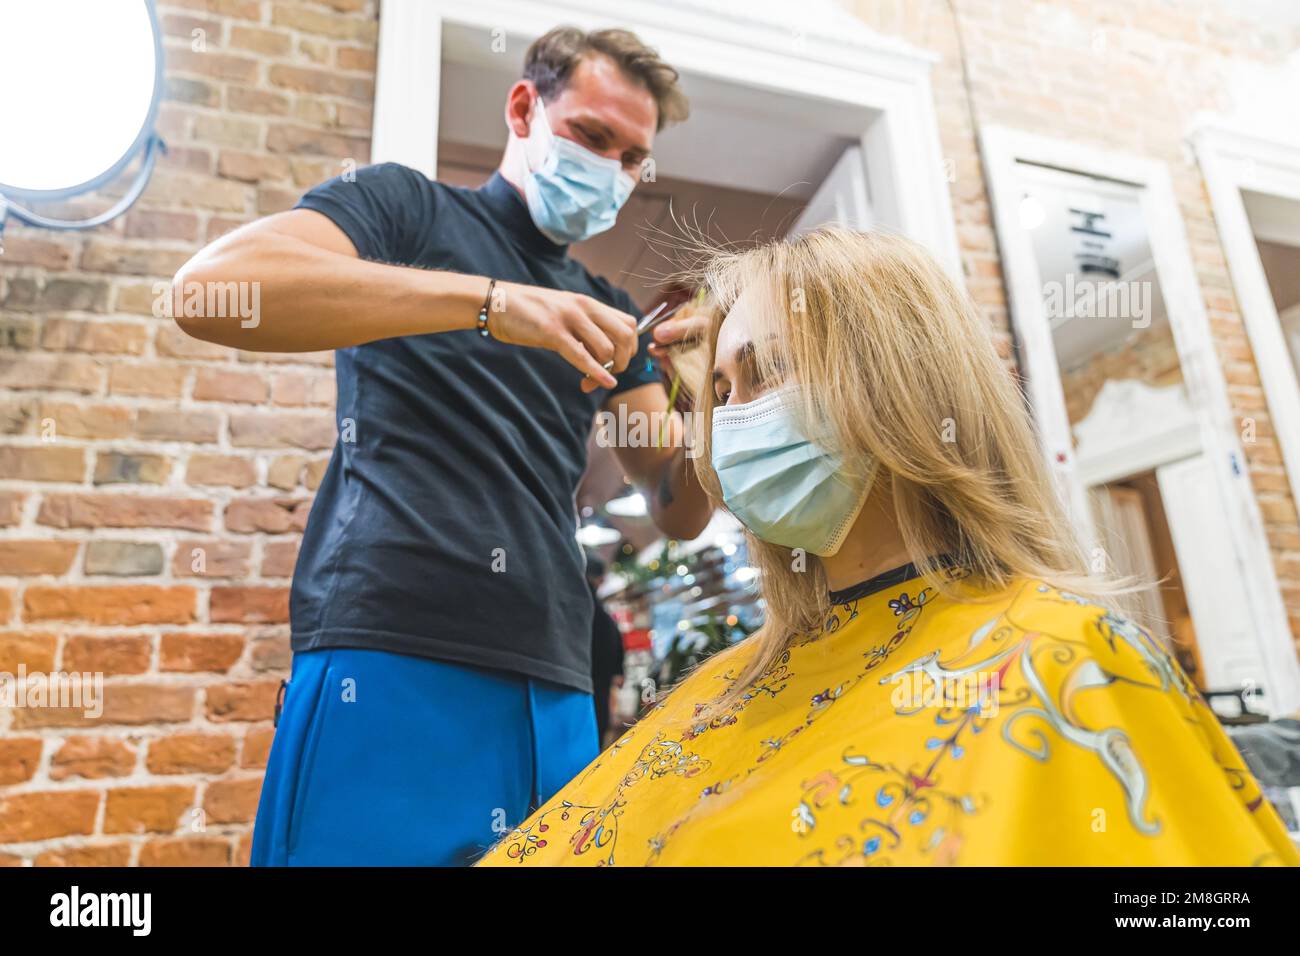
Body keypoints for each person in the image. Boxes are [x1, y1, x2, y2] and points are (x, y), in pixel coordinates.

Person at [476, 228, 1300, 867]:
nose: (731, 421)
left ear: (898, 381)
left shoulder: (1061, 657)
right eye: (721, 392)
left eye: (768, 374)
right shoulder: (729, 684)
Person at [171, 26, 713, 866]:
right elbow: (210, 294)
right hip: (392, 653)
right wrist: (492, 302)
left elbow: (678, 507)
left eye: (632, 157)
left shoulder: (610, 311)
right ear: (525, 107)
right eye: (592, 137)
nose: (611, 169)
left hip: (559, 676)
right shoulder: (405, 210)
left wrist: (712, 386)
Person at [585, 556, 625, 745]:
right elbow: (615, 641)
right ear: (600, 579)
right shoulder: (602, 614)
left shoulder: (581, 606)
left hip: (581, 676)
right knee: (596, 727)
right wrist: (617, 671)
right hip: (599, 680)